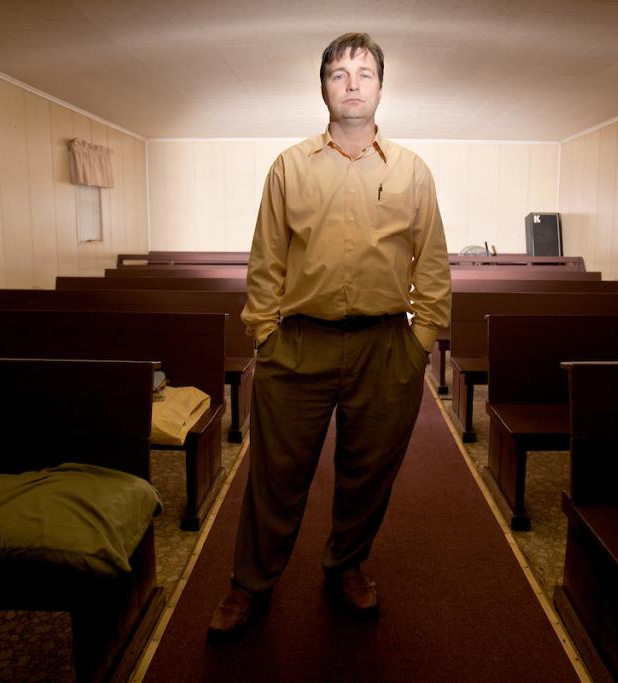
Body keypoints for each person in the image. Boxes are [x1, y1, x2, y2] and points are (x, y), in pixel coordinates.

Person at [208, 31, 451, 641]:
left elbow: (433, 265)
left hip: (385, 347)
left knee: (368, 471)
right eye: (339, 73)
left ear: (380, 87)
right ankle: (250, 582)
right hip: (298, 343)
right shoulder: (289, 167)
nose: (351, 83)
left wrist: (421, 341)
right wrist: (265, 334)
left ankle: (346, 563)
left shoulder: (413, 172)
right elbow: (266, 260)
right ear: (323, 86)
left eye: (364, 73)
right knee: (276, 473)